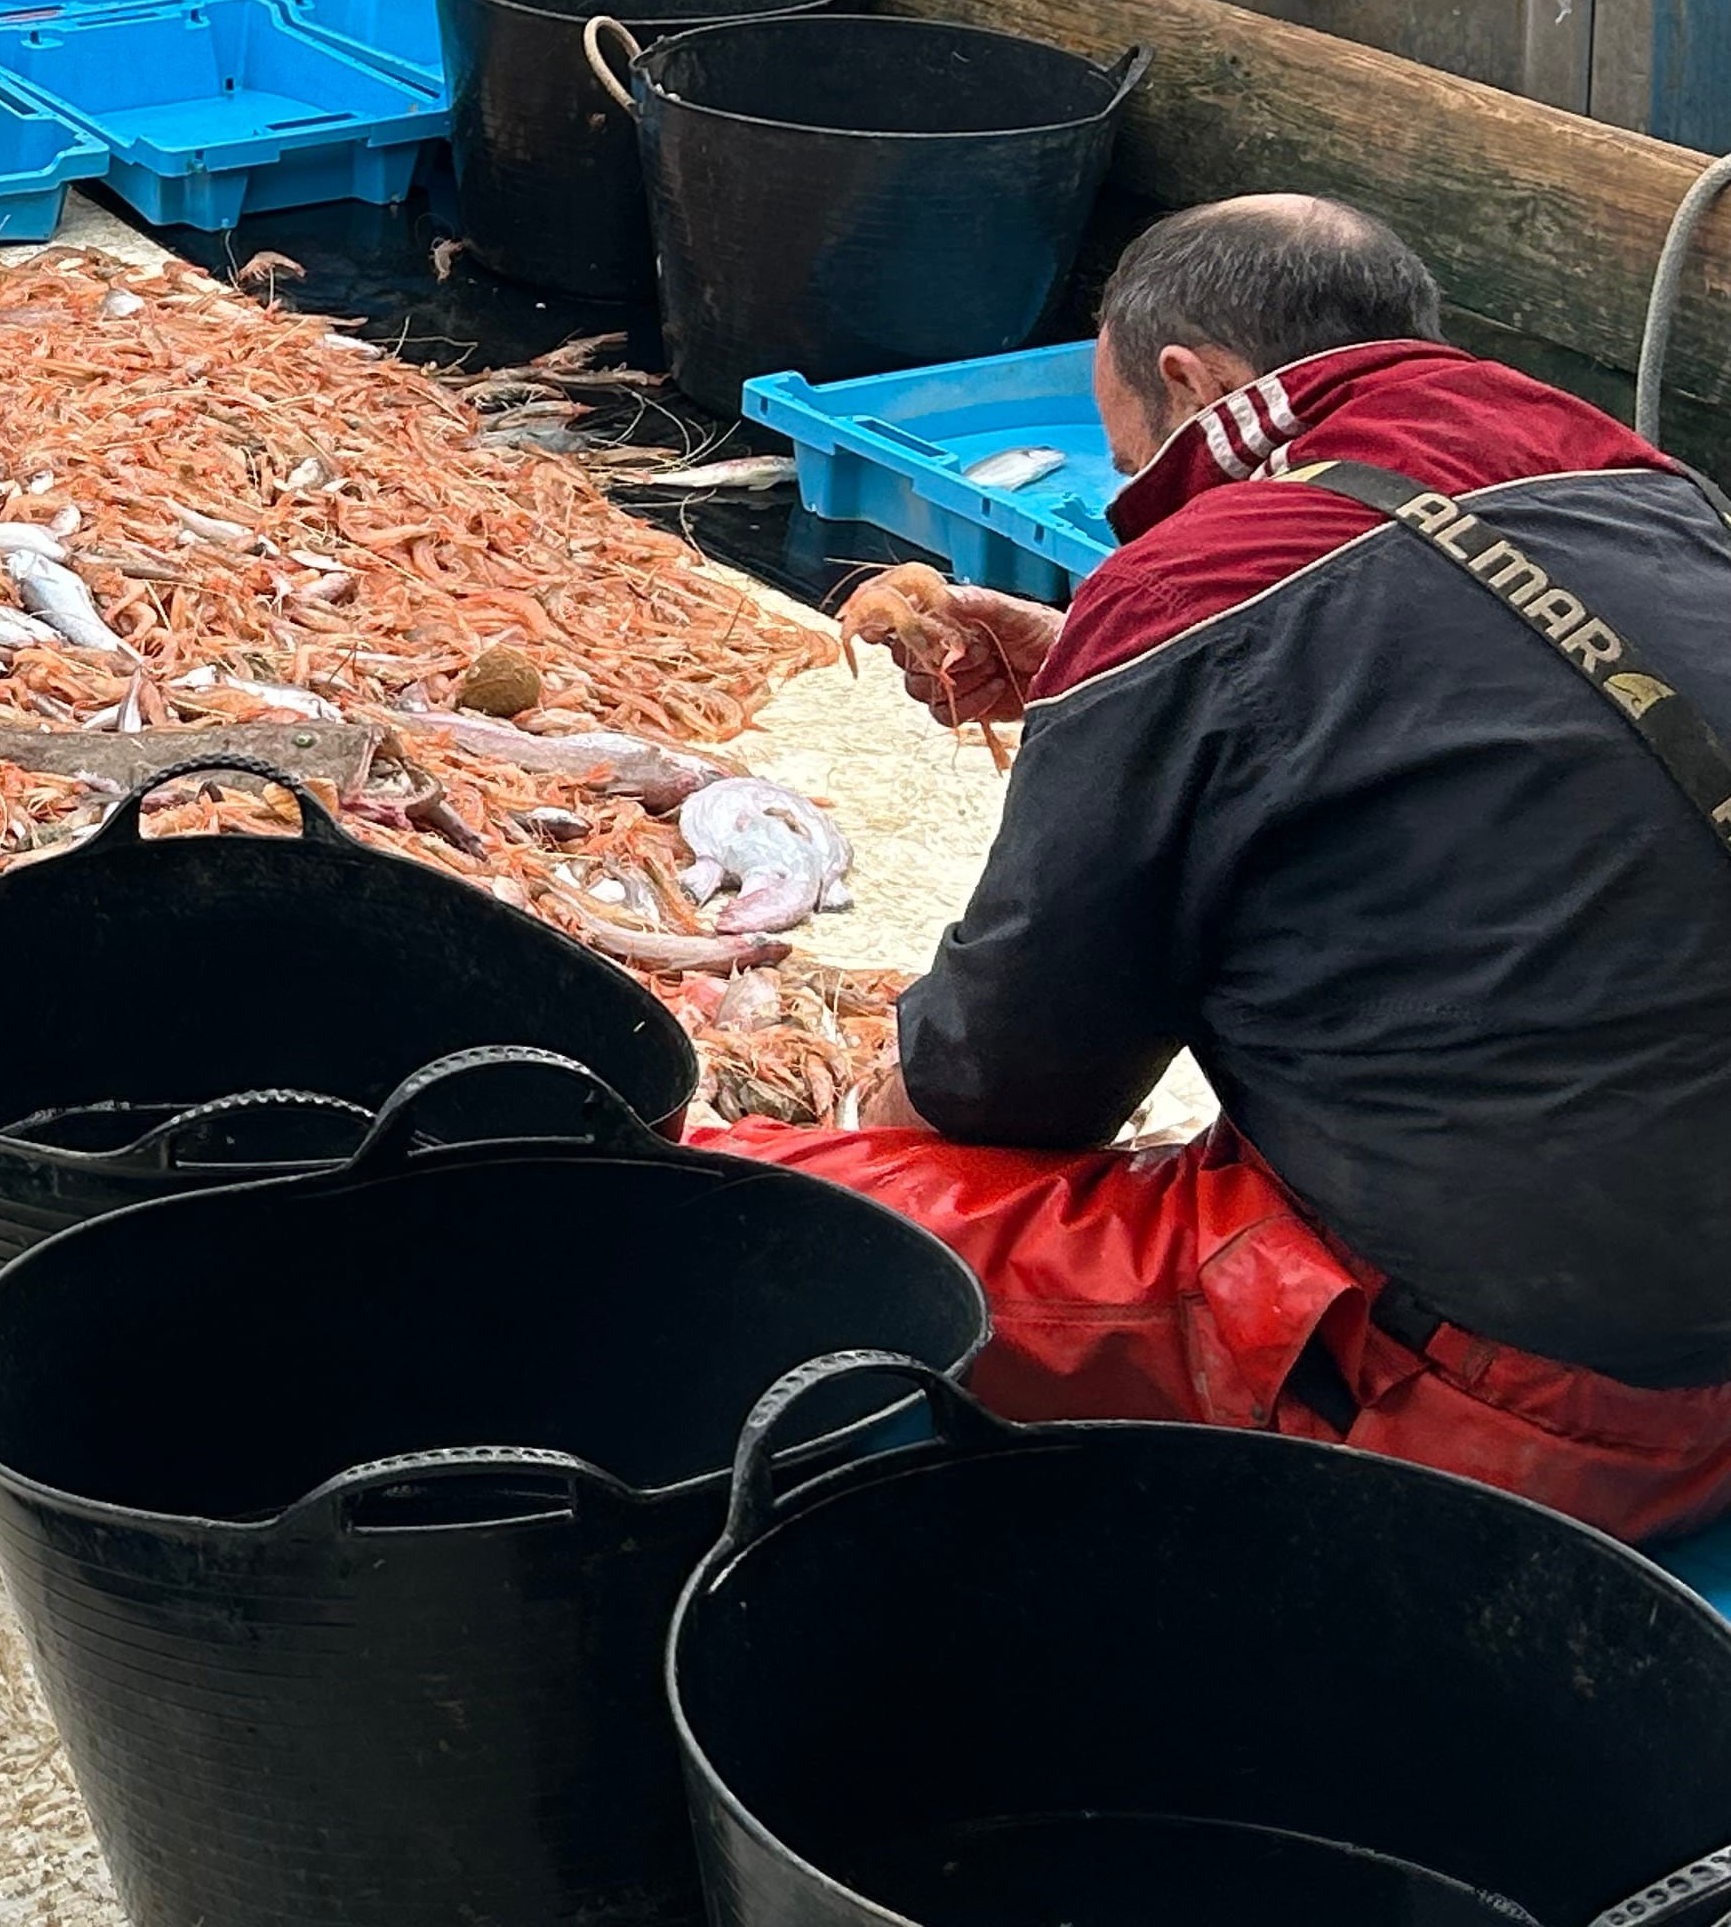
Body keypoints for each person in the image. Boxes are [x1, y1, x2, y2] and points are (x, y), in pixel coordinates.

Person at [721, 194, 1731, 1538]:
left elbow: (1006, 1091)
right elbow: (1457, 677)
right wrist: (1104, 656)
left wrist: (1138, 653)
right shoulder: (1651, 492)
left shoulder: (1195, 588)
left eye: (1132, 453)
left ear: (1189, 383)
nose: (1141, 505)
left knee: (774, 1209)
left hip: (1550, 1401)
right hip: (1668, 1243)